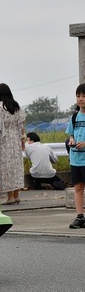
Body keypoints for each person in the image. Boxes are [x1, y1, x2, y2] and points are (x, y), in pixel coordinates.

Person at [0, 83, 25, 205]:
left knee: (7, 168)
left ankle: (10, 197)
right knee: (16, 167)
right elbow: (22, 125)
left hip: (5, 141)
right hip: (15, 140)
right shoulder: (16, 106)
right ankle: (16, 195)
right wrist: (22, 141)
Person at [66, 83, 85, 229]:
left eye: (84, 96)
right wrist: (71, 140)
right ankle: (80, 216)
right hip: (76, 159)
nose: (81, 99)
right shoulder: (74, 117)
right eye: (78, 96)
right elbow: (71, 134)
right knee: (78, 188)